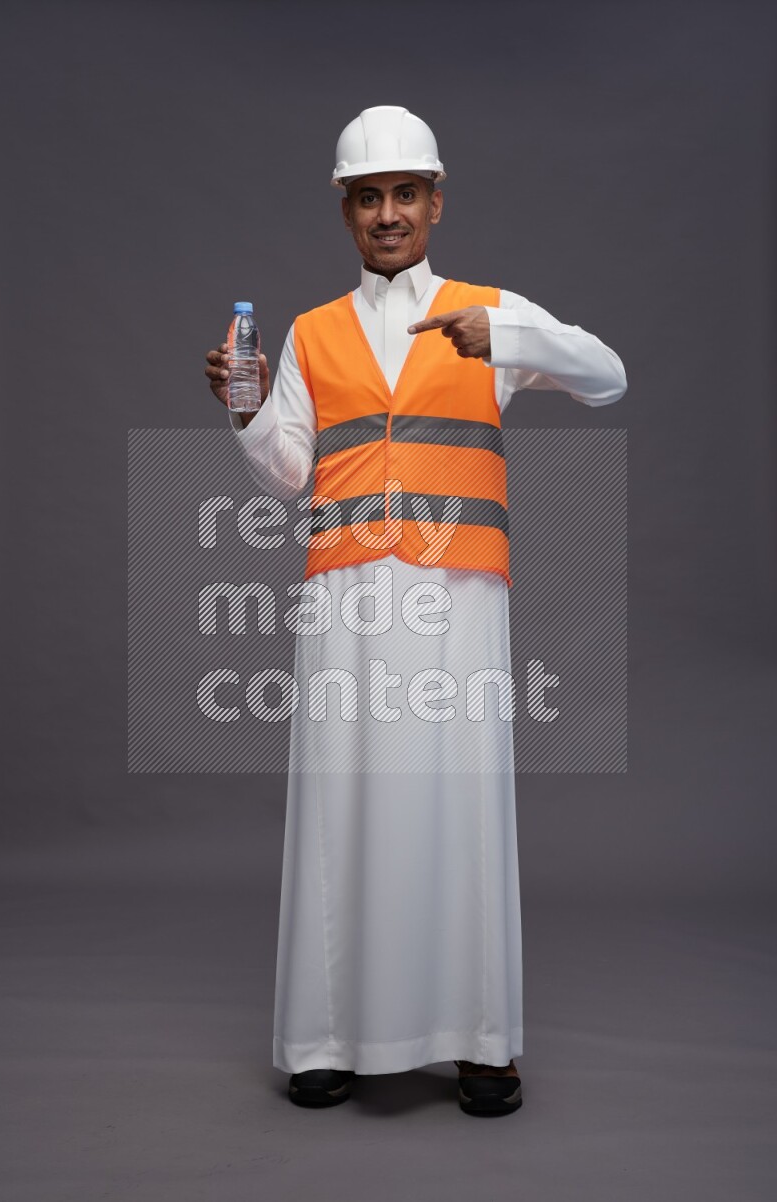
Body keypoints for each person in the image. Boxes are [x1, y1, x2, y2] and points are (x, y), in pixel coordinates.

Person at [205, 105, 627, 1117]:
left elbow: (606, 379)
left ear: (434, 201)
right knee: (339, 802)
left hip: (457, 596)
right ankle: (324, 1037)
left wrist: (509, 334)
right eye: (367, 197)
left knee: (459, 801)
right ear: (346, 211)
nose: (386, 213)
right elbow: (286, 475)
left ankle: (481, 1042)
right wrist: (246, 405)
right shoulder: (310, 331)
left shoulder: (489, 310)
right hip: (345, 590)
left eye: (403, 193)